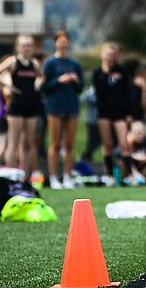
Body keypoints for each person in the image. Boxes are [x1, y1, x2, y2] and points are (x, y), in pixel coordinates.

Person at [0, 34, 43, 180]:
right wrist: (8, 85)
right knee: (14, 143)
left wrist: (37, 85)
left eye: (29, 45)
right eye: (24, 45)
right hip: (16, 107)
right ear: (18, 47)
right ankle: (12, 176)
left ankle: (26, 177)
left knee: (29, 143)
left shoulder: (34, 63)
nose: (27, 48)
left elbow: (42, 76)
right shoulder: (13, 61)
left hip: (30, 106)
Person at [40, 30, 83, 189]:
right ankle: (53, 177)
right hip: (55, 106)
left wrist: (75, 80)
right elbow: (44, 87)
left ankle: (67, 176)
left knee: (69, 143)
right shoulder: (50, 63)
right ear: (55, 43)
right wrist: (59, 80)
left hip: (71, 105)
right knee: (55, 143)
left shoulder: (75, 64)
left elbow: (80, 88)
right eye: (60, 41)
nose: (63, 44)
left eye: (66, 41)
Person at [93, 41, 132, 185]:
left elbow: (128, 92)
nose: (110, 57)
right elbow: (99, 92)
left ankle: (128, 175)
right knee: (107, 144)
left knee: (124, 144)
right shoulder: (98, 73)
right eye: (107, 54)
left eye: (112, 55)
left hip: (120, 113)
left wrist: (129, 113)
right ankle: (109, 174)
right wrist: (105, 72)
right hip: (104, 113)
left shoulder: (121, 71)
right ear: (102, 55)